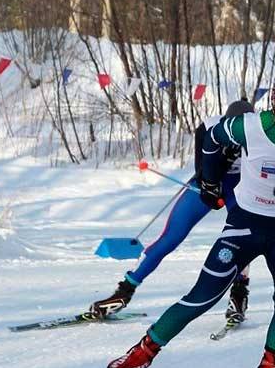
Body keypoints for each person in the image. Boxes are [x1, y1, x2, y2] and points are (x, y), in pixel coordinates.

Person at [103, 66, 275, 368]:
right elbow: (210, 138)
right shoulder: (250, 126)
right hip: (246, 224)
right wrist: (207, 181)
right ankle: (141, 354)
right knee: (202, 296)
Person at [88, 100, 254, 327]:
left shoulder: (259, 132)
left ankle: (239, 293)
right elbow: (202, 169)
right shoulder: (208, 128)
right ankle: (124, 291)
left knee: (243, 236)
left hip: (240, 185)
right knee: (171, 237)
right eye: (232, 129)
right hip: (208, 180)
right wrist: (213, 191)